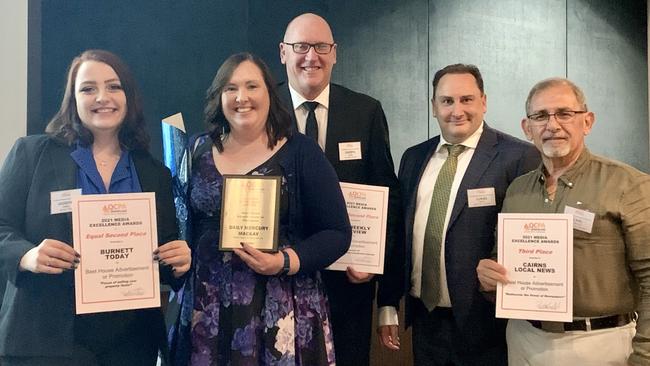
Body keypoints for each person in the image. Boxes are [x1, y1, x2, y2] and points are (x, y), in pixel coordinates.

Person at [0, 49, 191, 366]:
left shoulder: (154, 172)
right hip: (45, 339)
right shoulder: (32, 154)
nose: (103, 97)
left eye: (114, 87)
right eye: (88, 88)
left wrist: (180, 261)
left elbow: (167, 257)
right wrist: (26, 255)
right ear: (72, 99)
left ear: (128, 96)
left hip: (130, 344)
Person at [171, 52, 351, 365]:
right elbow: (178, 224)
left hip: (280, 308)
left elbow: (337, 232)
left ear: (269, 92)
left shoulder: (300, 151)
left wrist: (286, 261)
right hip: (207, 309)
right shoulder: (196, 150)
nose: (242, 97)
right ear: (219, 97)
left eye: (252, 86)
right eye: (230, 88)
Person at [477, 77, 650, 366]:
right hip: (523, 339)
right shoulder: (517, 190)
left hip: (599, 344)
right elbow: (504, 265)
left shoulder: (629, 185)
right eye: (541, 116)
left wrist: (645, 356)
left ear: (587, 121)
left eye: (565, 114)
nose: (553, 125)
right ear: (527, 128)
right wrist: (489, 279)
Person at [378, 64, 540, 365]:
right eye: (447, 101)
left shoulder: (518, 156)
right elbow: (399, 233)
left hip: (487, 326)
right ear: (433, 107)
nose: (457, 110)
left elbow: (529, 233)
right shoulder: (413, 158)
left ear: (484, 102)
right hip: (425, 320)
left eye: (467, 99)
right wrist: (388, 303)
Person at [278, 13, 402, 365]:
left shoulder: (365, 112)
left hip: (348, 285)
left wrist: (375, 263)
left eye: (321, 46)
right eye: (301, 46)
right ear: (283, 52)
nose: (311, 56)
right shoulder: (263, 112)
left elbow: (387, 197)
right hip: (277, 281)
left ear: (335, 53)